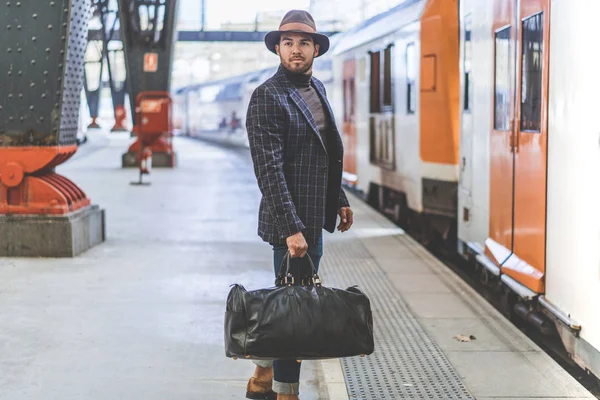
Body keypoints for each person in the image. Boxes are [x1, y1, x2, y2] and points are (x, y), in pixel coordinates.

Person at [245, 9, 354, 400]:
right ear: (277, 48)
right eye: (288, 42)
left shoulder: (318, 89)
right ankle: (286, 393)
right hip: (289, 223)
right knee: (295, 312)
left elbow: (323, 154)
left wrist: (338, 198)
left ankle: (261, 374)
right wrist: (291, 228)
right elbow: (269, 170)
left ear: (315, 50)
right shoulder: (266, 97)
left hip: (313, 217)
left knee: (290, 304)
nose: (296, 50)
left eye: (304, 43)